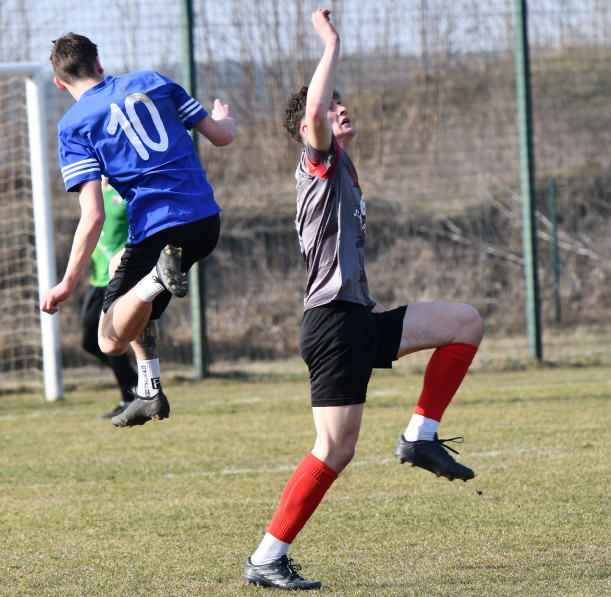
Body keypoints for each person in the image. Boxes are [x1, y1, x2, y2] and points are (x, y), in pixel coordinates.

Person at [242, 10, 485, 591]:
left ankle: (419, 439)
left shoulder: (346, 171)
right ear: (310, 127)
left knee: (465, 322)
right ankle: (267, 557)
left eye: (340, 102)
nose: (339, 109)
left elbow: (342, 258)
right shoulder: (318, 163)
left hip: (358, 316)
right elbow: (315, 115)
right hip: (332, 327)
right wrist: (331, 44)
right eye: (329, 107)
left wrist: (370, 302)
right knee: (334, 449)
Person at [41, 33, 236, 428]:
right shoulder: (153, 80)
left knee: (108, 340)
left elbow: (93, 214)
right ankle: (149, 389)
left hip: (159, 229)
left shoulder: (74, 125)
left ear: (61, 84)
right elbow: (221, 136)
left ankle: (153, 280)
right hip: (204, 221)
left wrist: (66, 282)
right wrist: (225, 118)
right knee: (119, 268)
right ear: (98, 62)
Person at [80, 178, 139, 420]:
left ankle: (130, 397)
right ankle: (137, 383)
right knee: (89, 341)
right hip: (97, 280)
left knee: (110, 339)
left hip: (116, 277)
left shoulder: (125, 191)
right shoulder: (91, 192)